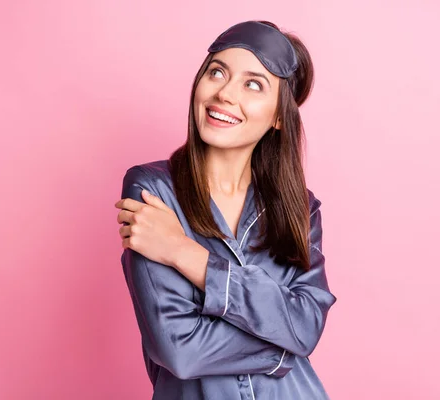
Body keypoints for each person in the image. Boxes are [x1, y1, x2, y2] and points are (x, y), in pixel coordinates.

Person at [114, 20, 337, 400]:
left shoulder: (300, 208)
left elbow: (307, 323)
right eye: (217, 72)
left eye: (253, 84)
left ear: (279, 117)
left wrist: (187, 255)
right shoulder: (152, 191)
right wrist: (281, 347)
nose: (225, 94)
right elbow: (179, 349)